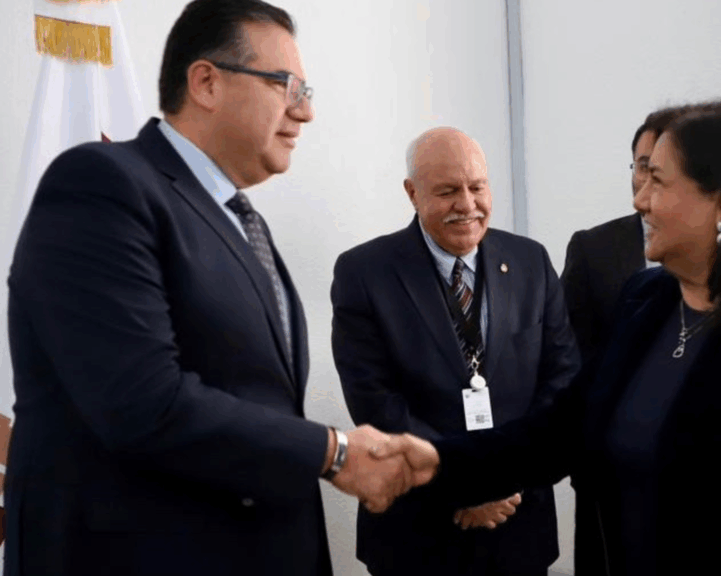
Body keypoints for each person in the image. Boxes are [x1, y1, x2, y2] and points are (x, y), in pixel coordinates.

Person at [375, 99, 721, 575]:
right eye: (640, 177)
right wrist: (433, 461)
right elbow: (555, 433)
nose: (640, 200)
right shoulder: (646, 300)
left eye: (658, 181)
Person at [3, 2, 419, 575]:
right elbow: (142, 402)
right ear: (206, 83)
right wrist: (335, 453)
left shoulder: (244, 222)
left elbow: (258, 401)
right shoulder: (101, 184)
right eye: (288, 86)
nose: (305, 111)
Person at [330, 127, 580, 576]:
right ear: (412, 193)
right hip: (417, 530)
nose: (467, 204)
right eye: (447, 191)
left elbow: (562, 380)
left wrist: (504, 479)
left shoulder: (531, 261)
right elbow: (375, 400)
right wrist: (463, 485)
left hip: (518, 522)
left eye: (477, 187)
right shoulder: (364, 272)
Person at [561, 107, 687, 366]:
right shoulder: (592, 249)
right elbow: (567, 354)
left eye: (661, 170)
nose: (648, 182)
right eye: (643, 167)